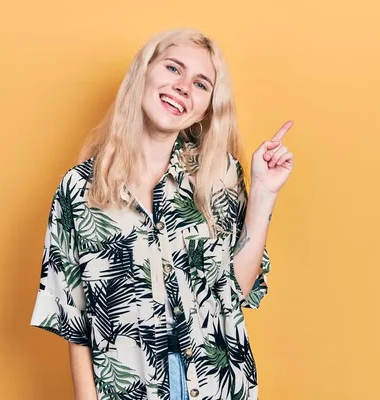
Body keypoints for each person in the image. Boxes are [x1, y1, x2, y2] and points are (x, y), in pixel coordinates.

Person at [30, 27, 294, 400]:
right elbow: (74, 321)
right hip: (129, 389)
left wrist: (264, 193)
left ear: (206, 107)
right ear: (145, 71)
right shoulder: (79, 190)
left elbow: (237, 290)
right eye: (173, 69)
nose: (184, 87)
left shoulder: (218, 176)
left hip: (216, 385)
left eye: (202, 84)